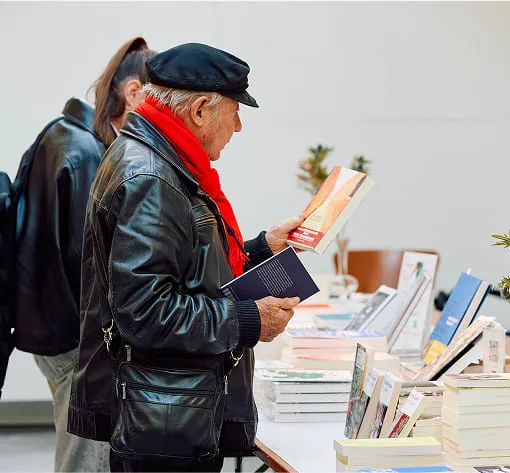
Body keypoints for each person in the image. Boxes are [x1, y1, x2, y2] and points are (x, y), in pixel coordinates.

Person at [68, 42, 303, 472]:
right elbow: (147, 312)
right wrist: (250, 320)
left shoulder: (158, 158)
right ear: (199, 111)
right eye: (235, 111)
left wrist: (258, 248)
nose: (238, 126)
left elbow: (184, 264)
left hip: (170, 409)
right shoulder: (153, 178)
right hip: (166, 417)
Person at [1, 37, 155, 473]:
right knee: (86, 461)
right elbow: (92, 265)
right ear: (134, 94)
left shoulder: (65, 137)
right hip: (74, 342)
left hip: (52, 332)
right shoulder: (86, 153)